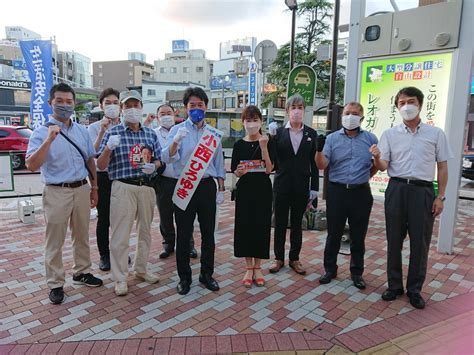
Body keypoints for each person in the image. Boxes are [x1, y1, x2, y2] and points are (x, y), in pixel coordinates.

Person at [370, 86, 452, 309]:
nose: (407, 106)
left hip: (423, 192)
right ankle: (394, 285)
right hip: (396, 189)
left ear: (420, 104)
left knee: (420, 243)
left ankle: (414, 289)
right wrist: (377, 158)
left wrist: (440, 197)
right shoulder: (389, 135)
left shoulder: (435, 134)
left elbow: (443, 167)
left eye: (411, 101)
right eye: (402, 102)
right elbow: (384, 166)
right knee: (394, 240)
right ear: (397, 107)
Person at [26, 83, 103, 304]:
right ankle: (56, 283)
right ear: (50, 103)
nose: (64, 105)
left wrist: (94, 188)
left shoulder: (81, 131)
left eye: (69, 101)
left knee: (82, 236)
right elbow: (31, 164)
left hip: (81, 189)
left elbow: (90, 160)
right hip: (56, 191)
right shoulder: (41, 133)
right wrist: (49, 140)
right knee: (55, 240)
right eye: (59, 101)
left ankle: (81, 272)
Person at [97, 90, 165, 296]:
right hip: (123, 187)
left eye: (136, 105)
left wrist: (154, 166)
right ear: (122, 109)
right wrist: (108, 148)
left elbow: (160, 159)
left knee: (145, 232)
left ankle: (141, 269)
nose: (132, 110)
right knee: (121, 234)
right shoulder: (113, 132)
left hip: (146, 187)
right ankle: (119, 277)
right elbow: (100, 164)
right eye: (128, 106)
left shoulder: (150, 133)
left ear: (142, 107)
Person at [162, 87, 226, 295]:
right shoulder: (177, 130)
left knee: (208, 234)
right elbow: (166, 158)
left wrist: (221, 187)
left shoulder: (212, 134)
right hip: (185, 185)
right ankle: (184, 278)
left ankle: (207, 275)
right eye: (192, 105)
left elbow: (218, 162)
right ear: (186, 108)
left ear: (206, 107)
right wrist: (175, 142)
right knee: (184, 234)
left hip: (207, 187)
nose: (196, 108)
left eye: (200, 105)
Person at [315, 102, 378, 289]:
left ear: (362, 117)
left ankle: (357, 272)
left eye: (355, 113)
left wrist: (365, 177)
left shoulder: (370, 139)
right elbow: (321, 165)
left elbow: (376, 164)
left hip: (360, 192)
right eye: (347, 113)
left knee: (359, 235)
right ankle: (329, 269)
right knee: (334, 233)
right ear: (343, 116)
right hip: (337, 191)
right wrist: (318, 150)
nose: (351, 116)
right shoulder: (332, 139)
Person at [267, 94, 320, 275]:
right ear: (287, 111)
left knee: (298, 224)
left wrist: (314, 188)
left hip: (301, 185)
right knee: (279, 223)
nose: (297, 111)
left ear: (304, 111)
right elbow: (273, 161)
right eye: (293, 108)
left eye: (300, 107)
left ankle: (295, 259)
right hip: (282, 185)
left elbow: (313, 164)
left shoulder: (311, 134)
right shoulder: (279, 133)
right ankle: (278, 258)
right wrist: (270, 140)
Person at [144, 106, 197, 259]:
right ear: (157, 116)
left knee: (187, 214)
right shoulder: (153, 134)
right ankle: (168, 243)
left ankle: (189, 244)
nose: (166, 116)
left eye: (169, 113)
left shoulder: (184, 131)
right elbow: (148, 153)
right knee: (165, 214)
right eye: (162, 114)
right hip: (164, 180)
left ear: (175, 115)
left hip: (185, 180)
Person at [231, 106, 275, 287]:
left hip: (263, 190)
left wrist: (263, 147)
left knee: (261, 226)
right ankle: (248, 267)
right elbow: (235, 170)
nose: (251, 124)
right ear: (243, 122)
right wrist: (239, 172)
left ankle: (258, 266)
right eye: (248, 120)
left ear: (261, 122)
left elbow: (269, 169)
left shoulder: (268, 141)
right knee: (245, 227)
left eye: (255, 120)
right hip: (245, 191)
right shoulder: (238, 145)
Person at [87, 88, 121, 271]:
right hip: (103, 176)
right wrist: (102, 132)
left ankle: (119, 252)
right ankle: (104, 255)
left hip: (121, 177)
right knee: (104, 219)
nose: (112, 106)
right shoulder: (93, 128)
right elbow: (91, 153)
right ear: (101, 106)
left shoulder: (125, 126)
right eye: (108, 103)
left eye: (115, 102)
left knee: (120, 218)